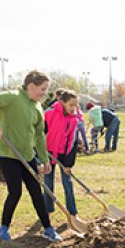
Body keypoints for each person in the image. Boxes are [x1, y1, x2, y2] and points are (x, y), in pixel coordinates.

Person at [0, 70, 62, 242]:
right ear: (31, 86)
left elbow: (39, 135)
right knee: (15, 192)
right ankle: (4, 227)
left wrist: (44, 158)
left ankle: (48, 229)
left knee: (36, 192)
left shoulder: (37, 106)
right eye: (43, 89)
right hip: (8, 154)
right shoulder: (13, 97)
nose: (45, 93)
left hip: (28, 155)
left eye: (46, 89)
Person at [44, 90, 80, 220]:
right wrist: (41, 152)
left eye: (75, 105)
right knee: (48, 182)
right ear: (62, 102)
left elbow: (72, 142)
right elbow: (40, 133)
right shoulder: (49, 114)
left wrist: (68, 164)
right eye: (71, 105)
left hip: (64, 156)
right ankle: (47, 210)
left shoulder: (74, 120)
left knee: (67, 182)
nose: (73, 108)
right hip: (48, 153)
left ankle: (73, 212)